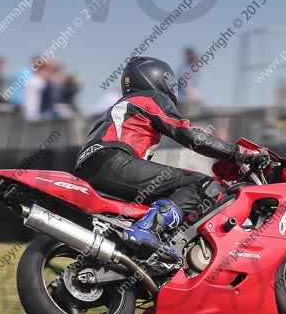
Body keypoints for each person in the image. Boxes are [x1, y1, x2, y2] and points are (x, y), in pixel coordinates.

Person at [74, 56, 269, 259]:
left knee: (162, 194)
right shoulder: (149, 98)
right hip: (115, 162)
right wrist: (239, 153)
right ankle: (147, 229)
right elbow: (187, 133)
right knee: (204, 185)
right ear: (154, 77)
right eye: (169, 80)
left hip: (90, 169)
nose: (172, 86)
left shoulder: (119, 109)